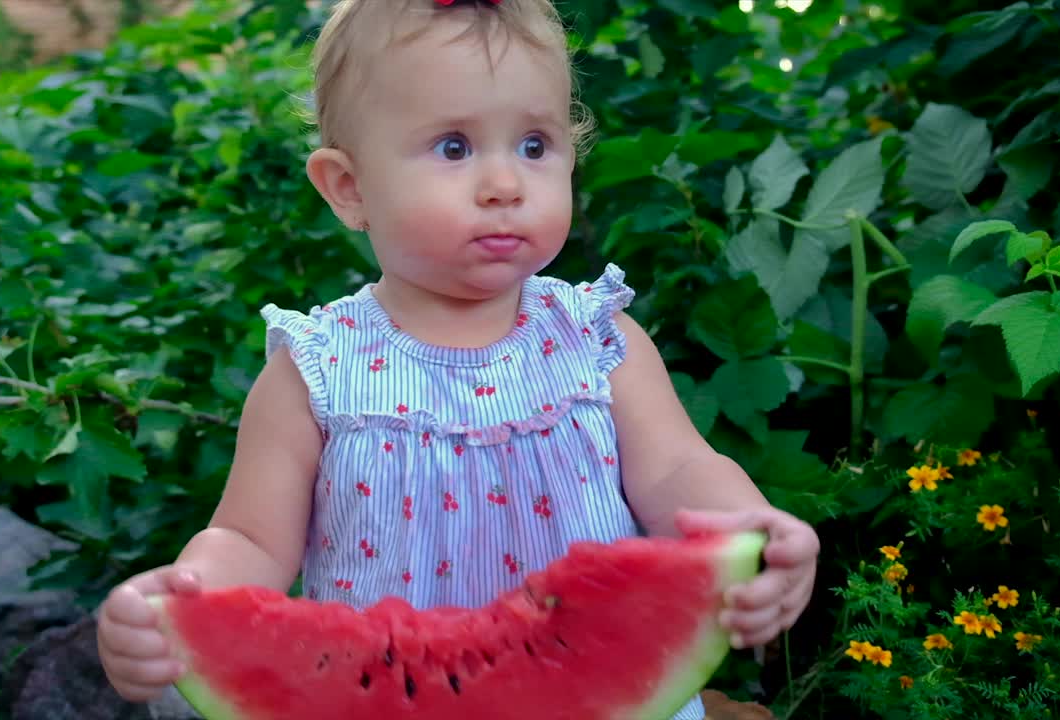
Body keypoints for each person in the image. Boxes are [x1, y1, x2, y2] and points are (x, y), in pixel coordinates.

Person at [94, 1, 821, 717]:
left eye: (535, 146)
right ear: (349, 189)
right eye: (453, 147)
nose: (506, 184)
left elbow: (677, 471)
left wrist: (748, 525)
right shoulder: (316, 371)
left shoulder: (595, 339)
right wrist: (180, 598)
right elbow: (250, 539)